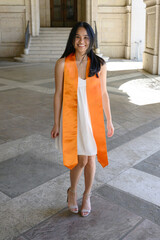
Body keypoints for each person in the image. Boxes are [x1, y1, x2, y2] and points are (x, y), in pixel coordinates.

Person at [51, 22, 114, 217]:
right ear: (72, 39)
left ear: (91, 40)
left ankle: (86, 195)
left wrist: (109, 121)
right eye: (78, 37)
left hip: (92, 118)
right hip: (73, 118)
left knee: (90, 158)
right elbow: (58, 94)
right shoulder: (63, 64)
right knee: (80, 160)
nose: (82, 41)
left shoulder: (99, 64)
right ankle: (72, 191)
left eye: (86, 37)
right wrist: (56, 122)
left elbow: (104, 94)